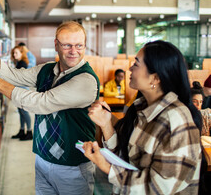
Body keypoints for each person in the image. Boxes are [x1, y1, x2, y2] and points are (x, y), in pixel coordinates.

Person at [0, 20, 100, 195]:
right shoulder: (46, 70)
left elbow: (40, 103)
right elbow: (9, 74)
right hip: (43, 159)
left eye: (79, 45)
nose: (73, 51)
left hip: (73, 167)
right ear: (56, 45)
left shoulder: (86, 80)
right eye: (67, 45)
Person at [82, 40, 202, 194]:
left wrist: (107, 167)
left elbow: (158, 188)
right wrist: (105, 124)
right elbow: (126, 157)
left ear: (155, 78)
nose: (130, 68)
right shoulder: (142, 108)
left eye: (136, 64)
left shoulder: (175, 120)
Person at [10, 45, 33, 140]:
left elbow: (19, 78)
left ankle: (29, 132)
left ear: (21, 53)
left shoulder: (23, 63)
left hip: (22, 91)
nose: (14, 55)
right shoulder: (19, 62)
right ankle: (21, 130)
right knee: (20, 111)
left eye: (16, 53)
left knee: (24, 112)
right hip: (18, 90)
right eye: (13, 53)